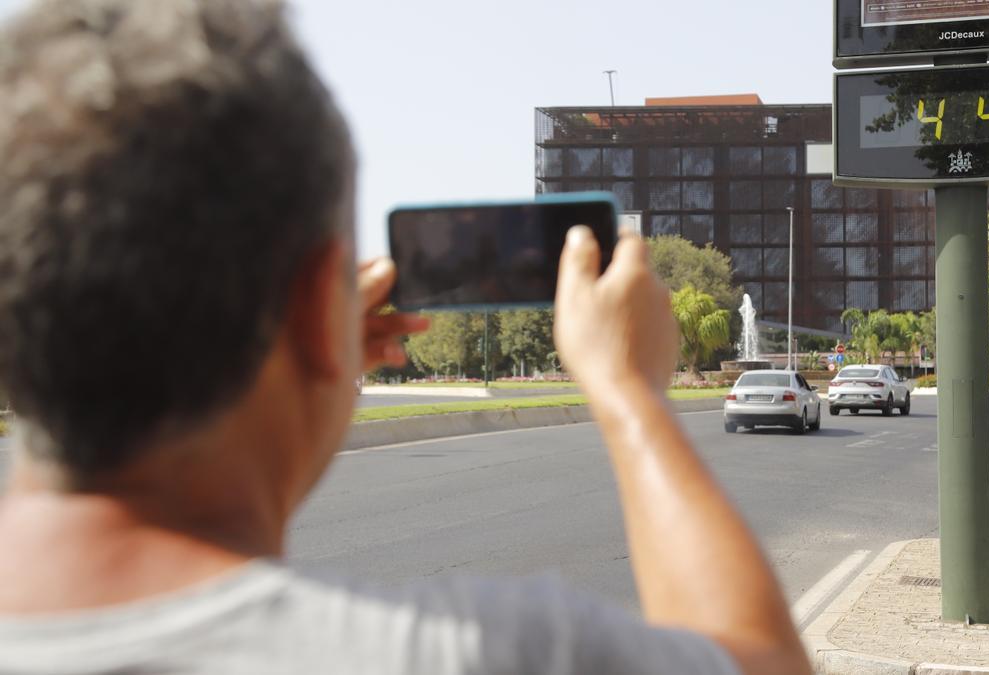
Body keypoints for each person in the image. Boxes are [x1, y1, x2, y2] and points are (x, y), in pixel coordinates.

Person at [0, 1, 812, 673]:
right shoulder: (488, 652)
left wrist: (302, 340)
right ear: (324, 301)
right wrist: (632, 397)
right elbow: (761, 658)